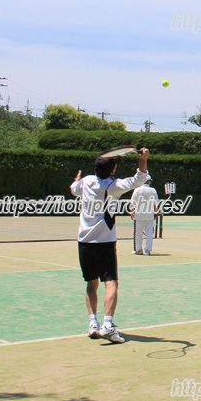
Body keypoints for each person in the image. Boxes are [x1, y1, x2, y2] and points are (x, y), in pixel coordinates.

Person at [70, 147, 150, 344]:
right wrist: (143, 158)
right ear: (113, 170)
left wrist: (75, 180)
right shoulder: (114, 186)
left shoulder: (86, 181)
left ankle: (93, 324)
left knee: (91, 283)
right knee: (111, 283)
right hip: (104, 243)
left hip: (84, 242)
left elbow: (73, 189)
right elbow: (140, 179)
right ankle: (107, 325)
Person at [130, 178, 159, 255]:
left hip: (139, 215)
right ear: (149, 181)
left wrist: (132, 211)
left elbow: (133, 202)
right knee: (149, 233)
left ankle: (138, 249)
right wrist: (156, 213)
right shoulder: (153, 190)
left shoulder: (137, 190)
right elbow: (156, 203)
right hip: (149, 215)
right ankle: (147, 250)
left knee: (138, 233)